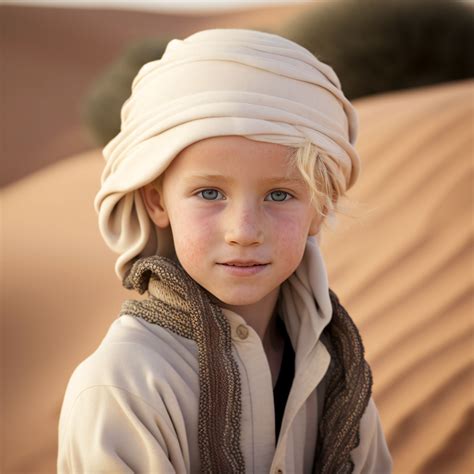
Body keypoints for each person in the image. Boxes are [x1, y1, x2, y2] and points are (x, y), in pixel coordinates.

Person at [57, 28, 393, 473]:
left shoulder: (339, 376)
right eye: (210, 193)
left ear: (320, 206)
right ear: (157, 201)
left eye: (279, 195)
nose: (244, 231)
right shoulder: (124, 386)